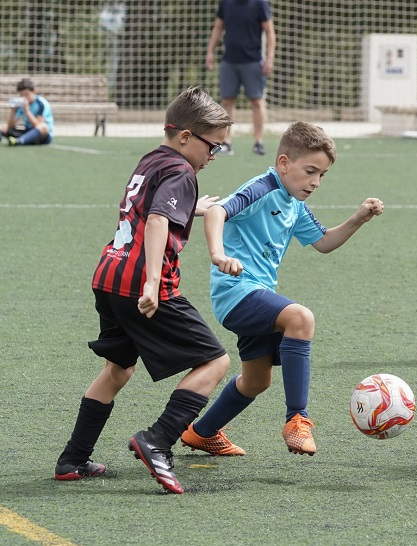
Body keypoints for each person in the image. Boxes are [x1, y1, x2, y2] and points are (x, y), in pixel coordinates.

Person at [54, 86, 233, 494]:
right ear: (186, 136)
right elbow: (155, 219)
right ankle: (159, 439)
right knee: (215, 362)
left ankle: (72, 459)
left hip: (109, 277)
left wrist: (192, 206)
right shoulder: (182, 172)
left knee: (118, 368)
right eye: (214, 147)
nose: (213, 156)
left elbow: (150, 205)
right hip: (143, 285)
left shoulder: (153, 159)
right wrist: (152, 281)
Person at [178, 122, 384, 458]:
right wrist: (218, 254)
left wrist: (359, 218)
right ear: (285, 163)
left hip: (255, 293)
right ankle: (297, 419)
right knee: (300, 318)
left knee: (256, 381)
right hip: (236, 291)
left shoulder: (295, 203)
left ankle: (202, 433)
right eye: (310, 171)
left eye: (322, 175)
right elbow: (216, 210)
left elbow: (324, 242)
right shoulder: (264, 188)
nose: (315, 182)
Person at [206, 0, 275, 156]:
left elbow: (270, 32)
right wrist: (210, 51)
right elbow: (218, 27)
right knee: (227, 101)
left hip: (253, 61)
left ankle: (258, 142)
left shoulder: (260, 4)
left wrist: (269, 59)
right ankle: (226, 142)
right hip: (229, 61)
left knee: (257, 101)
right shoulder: (226, 3)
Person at [1, 78, 53, 146]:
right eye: (21, 95)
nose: (24, 97)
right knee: (2, 128)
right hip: (27, 132)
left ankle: (19, 141)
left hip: (42, 135)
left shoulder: (41, 103)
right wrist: (13, 111)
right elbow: (10, 126)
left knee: (43, 126)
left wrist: (27, 111)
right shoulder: (21, 103)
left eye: (26, 94)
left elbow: (38, 125)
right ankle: (22, 139)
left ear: (34, 92)